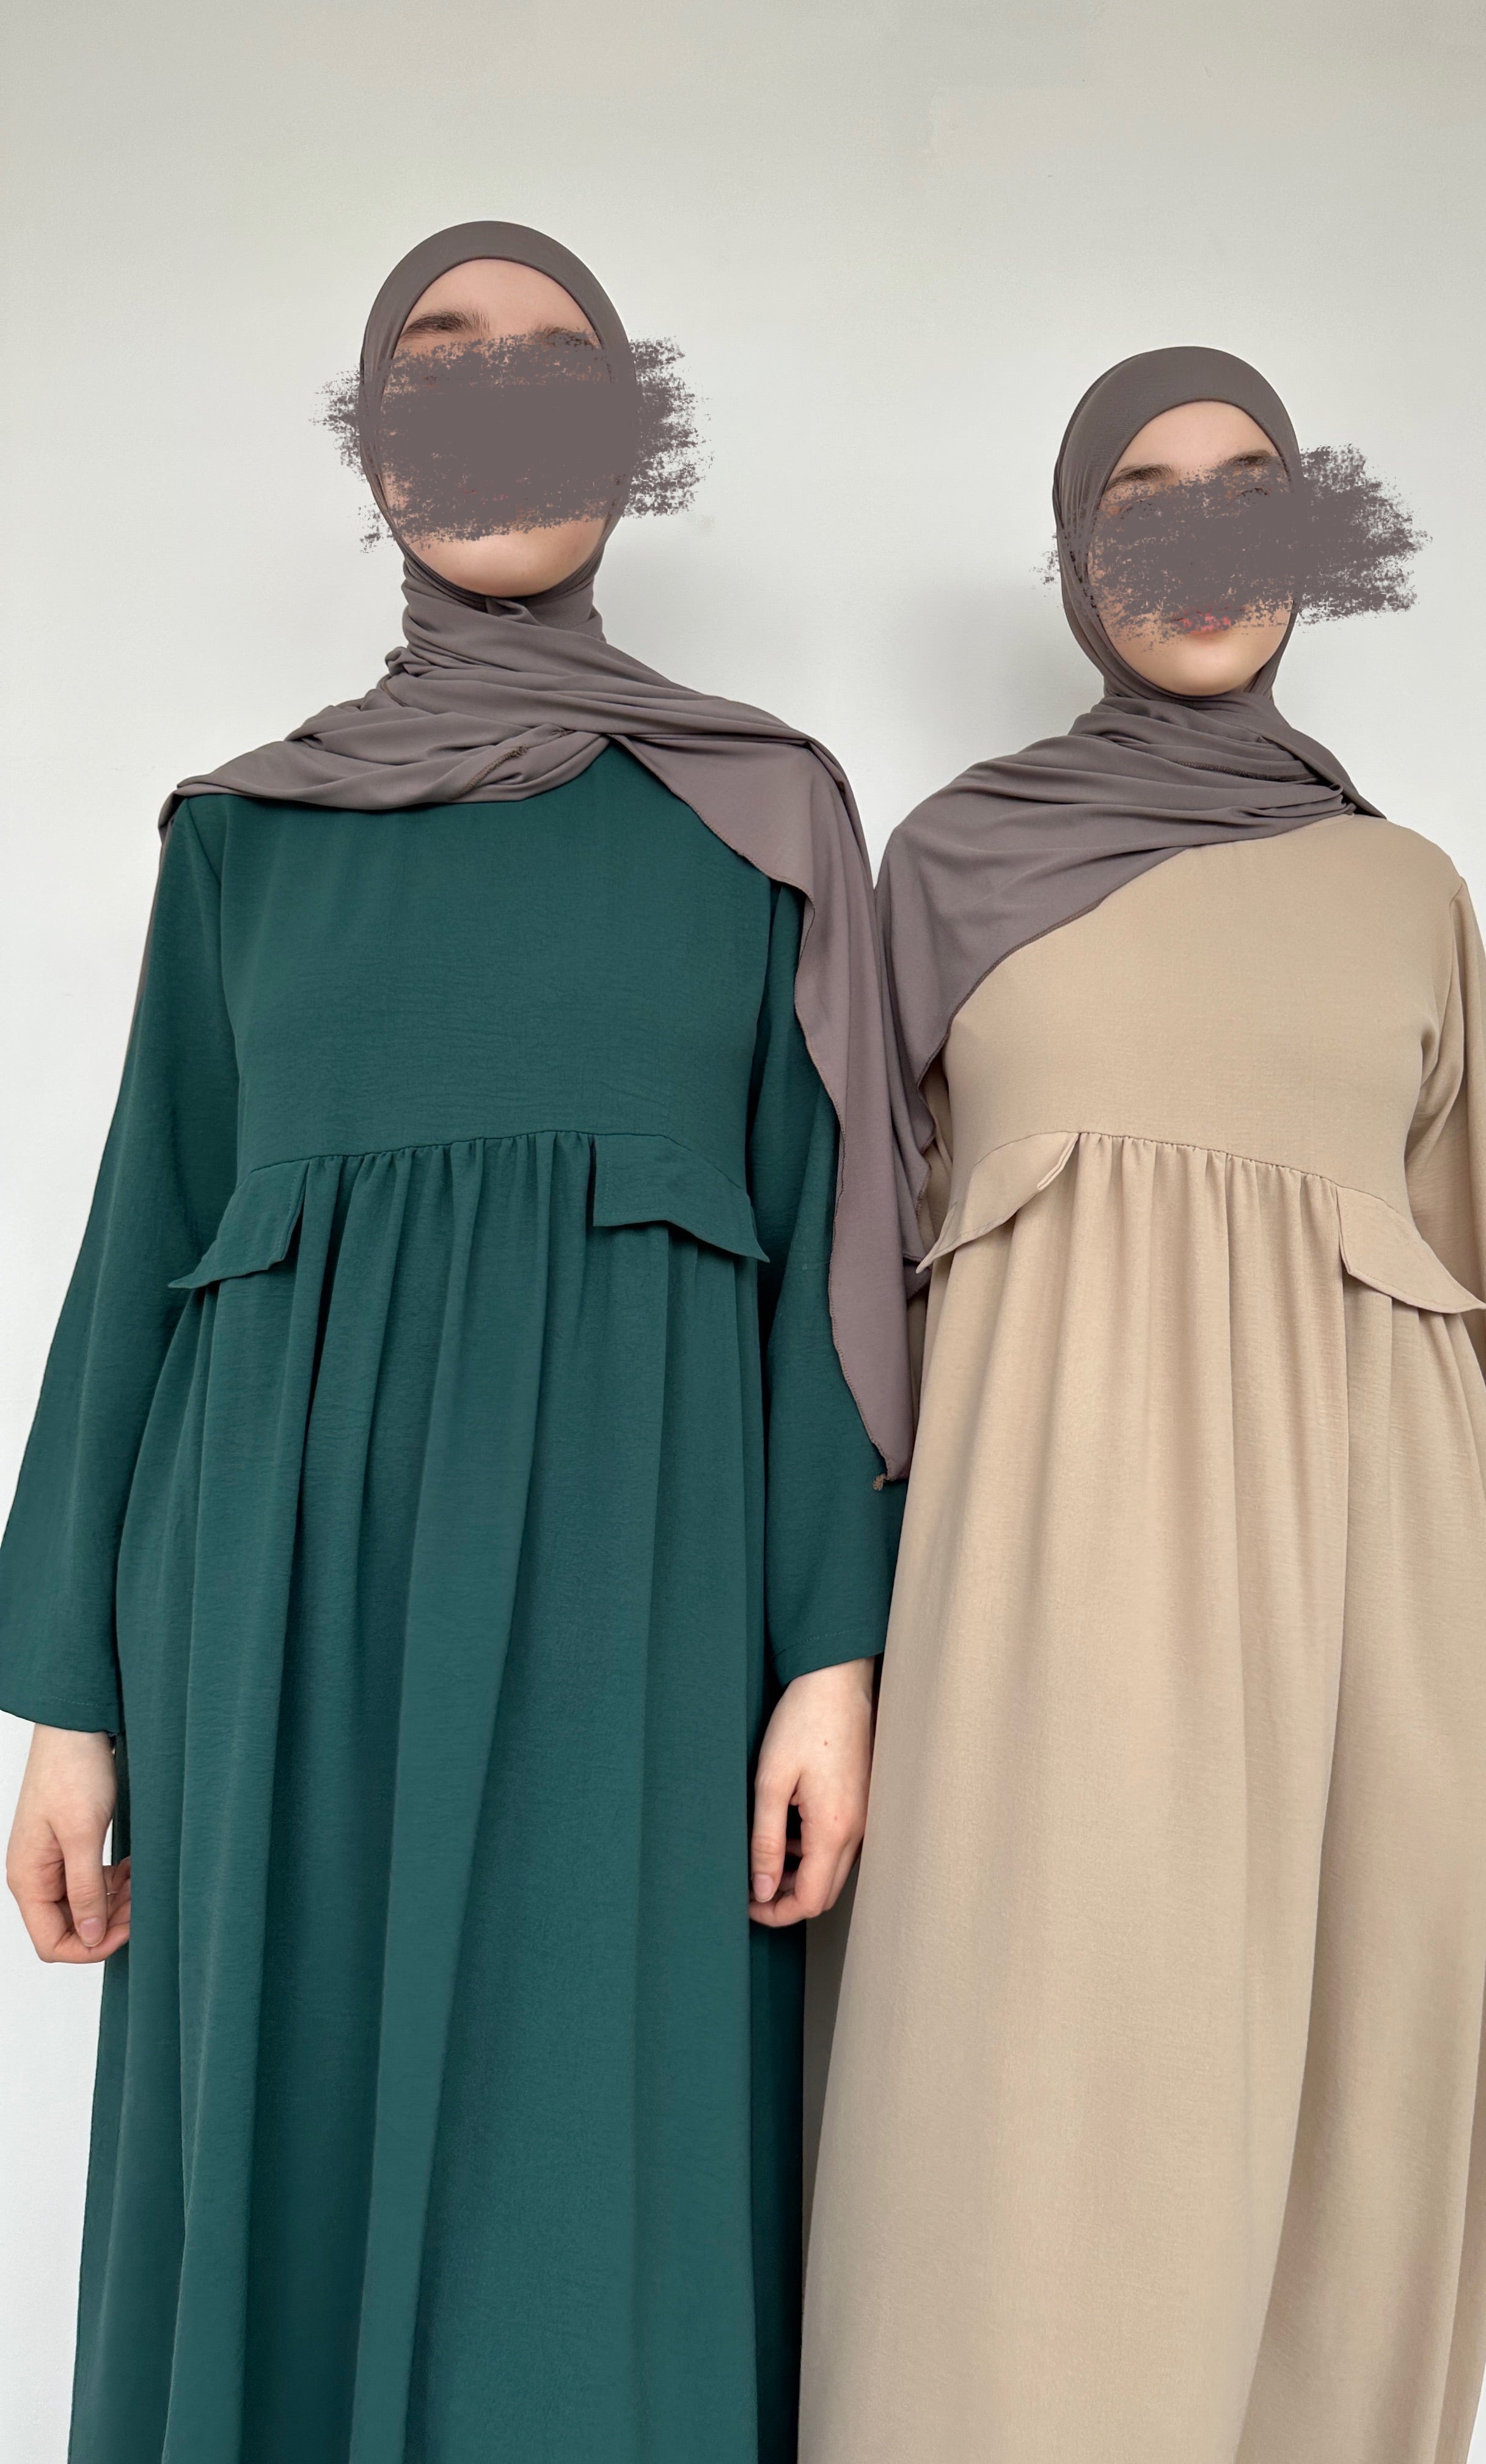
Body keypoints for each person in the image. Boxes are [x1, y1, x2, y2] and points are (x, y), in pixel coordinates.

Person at [0, 221, 912, 2464]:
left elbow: (842, 1263)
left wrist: (834, 1657)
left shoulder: (766, 816)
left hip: (640, 1623)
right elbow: (145, 1240)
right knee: (281, 2156)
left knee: (596, 2185)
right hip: (270, 1621)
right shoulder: (245, 832)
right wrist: (70, 1708)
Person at [801, 347, 1486, 2464]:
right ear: (1077, 557)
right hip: (1035, 1606)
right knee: (1002, 2189)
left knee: (1333, 2221)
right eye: (1143, 498)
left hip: (1383, 1611)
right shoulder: (952, 863)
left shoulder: (1405, 891)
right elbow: (851, 1296)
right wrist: (821, 1646)